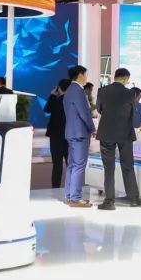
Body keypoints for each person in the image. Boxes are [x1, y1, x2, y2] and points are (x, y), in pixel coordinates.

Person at [95, 69, 140, 210]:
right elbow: (133, 112)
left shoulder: (102, 91)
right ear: (125, 79)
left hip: (107, 132)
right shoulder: (130, 93)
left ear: (115, 77)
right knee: (128, 166)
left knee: (109, 168)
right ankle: (133, 199)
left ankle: (109, 202)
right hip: (125, 133)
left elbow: (99, 109)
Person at [63, 66, 95, 208]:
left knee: (72, 165)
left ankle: (69, 196)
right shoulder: (78, 90)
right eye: (85, 74)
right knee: (79, 165)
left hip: (71, 132)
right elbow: (84, 113)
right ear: (80, 75)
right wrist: (92, 128)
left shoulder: (69, 90)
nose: (86, 77)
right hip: (80, 133)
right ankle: (75, 198)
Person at [44, 79, 70, 190]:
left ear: (58, 88)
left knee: (57, 164)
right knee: (70, 164)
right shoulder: (73, 102)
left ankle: (55, 187)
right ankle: (71, 187)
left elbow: (46, 109)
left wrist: (52, 95)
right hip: (69, 136)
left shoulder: (55, 100)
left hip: (55, 136)